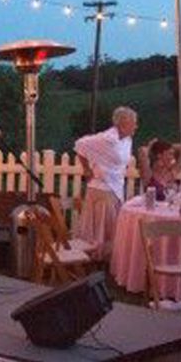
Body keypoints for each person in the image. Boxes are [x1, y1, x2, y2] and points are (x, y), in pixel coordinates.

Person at [74, 107, 138, 260]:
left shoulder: (127, 140)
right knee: (101, 229)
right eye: (133, 123)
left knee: (112, 228)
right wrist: (87, 169)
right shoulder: (107, 139)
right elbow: (80, 144)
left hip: (116, 187)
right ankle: (95, 258)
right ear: (122, 124)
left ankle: (106, 259)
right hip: (101, 189)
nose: (136, 126)